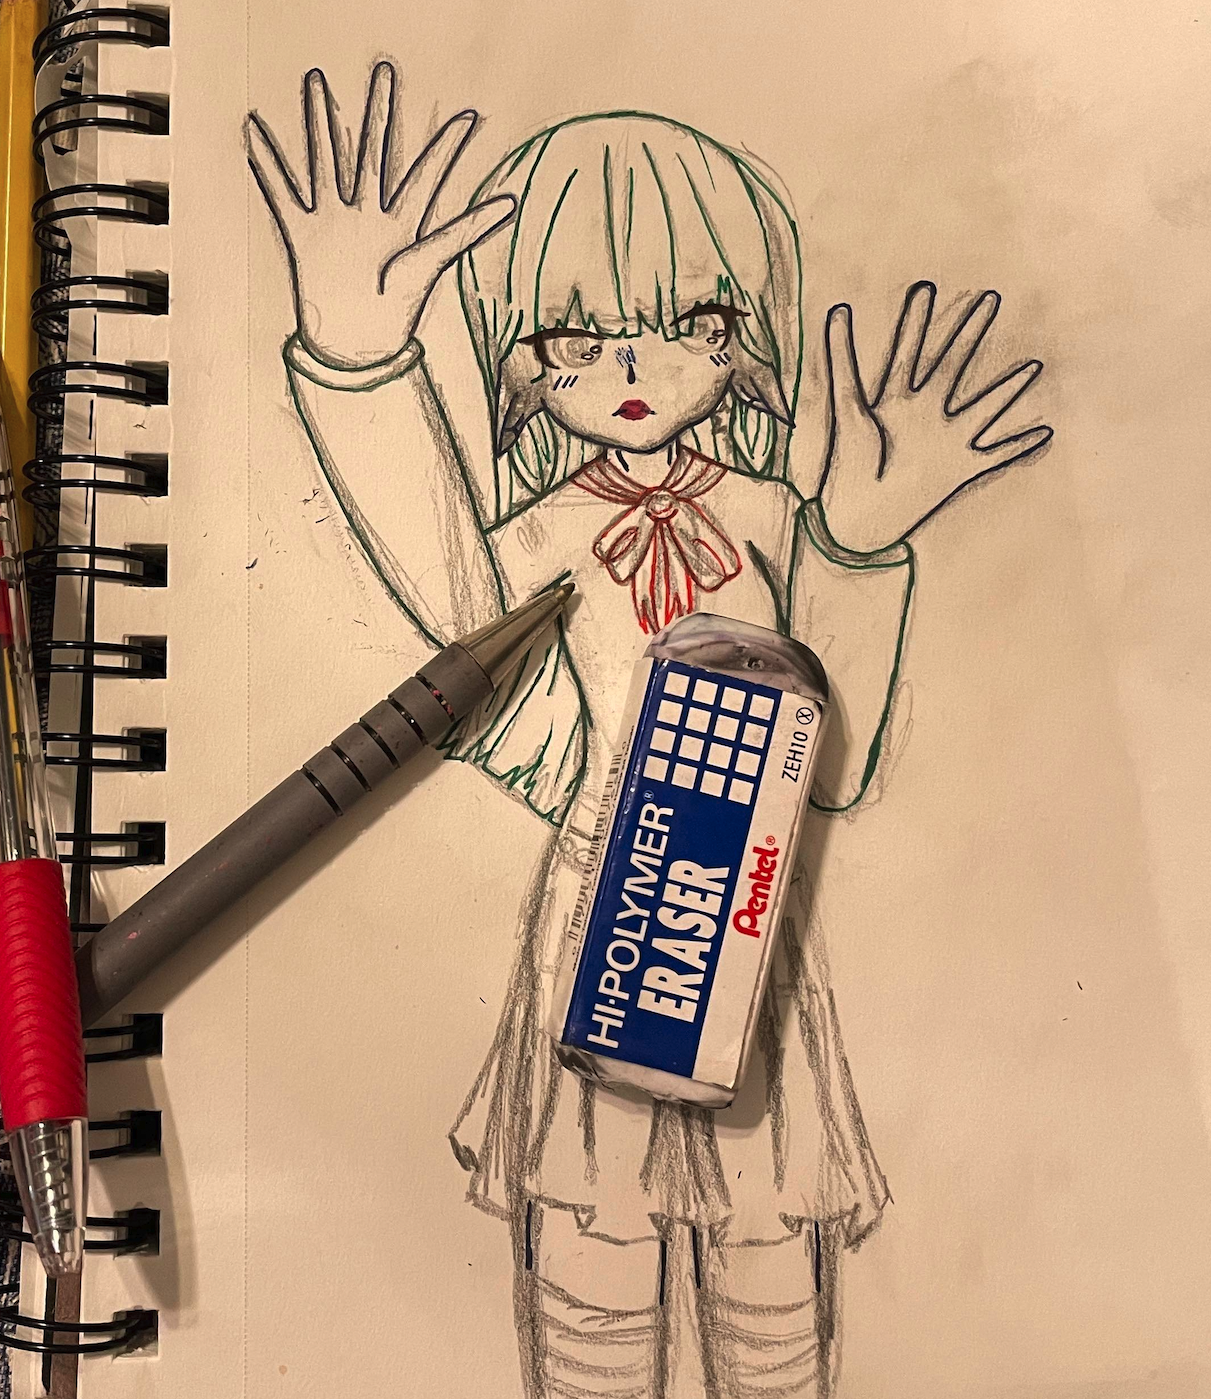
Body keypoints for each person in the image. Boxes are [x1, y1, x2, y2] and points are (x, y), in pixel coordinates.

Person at [247, 61, 1052, 1395]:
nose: (632, 368)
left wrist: (858, 545)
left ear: (746, 339)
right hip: (599, 926)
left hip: (752, 928)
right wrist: (359, 362)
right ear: (517, 353)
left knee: (769, 1265)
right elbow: (467, 643)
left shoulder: (779, 515)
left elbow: (832, 771)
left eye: (691, 321)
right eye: (575, 336)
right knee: (592, 1256)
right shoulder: (534, 536)